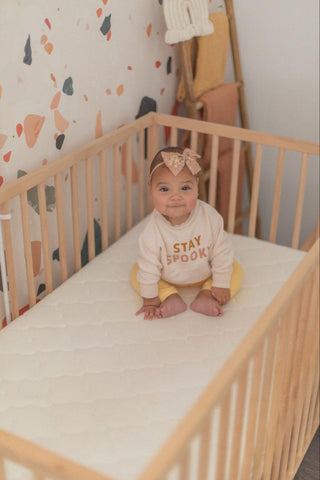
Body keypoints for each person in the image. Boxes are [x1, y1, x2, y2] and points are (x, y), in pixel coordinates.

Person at [130, 146, 243, 320]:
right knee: (138, 272)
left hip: (206, 273)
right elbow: (149, 266)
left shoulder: (210, 217)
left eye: (184, 188)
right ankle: (169, 295)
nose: (176, 197)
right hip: (168, 277)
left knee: (235, 269)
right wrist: (151, 299)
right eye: (165, 190)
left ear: (196, 187)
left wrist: (220, 283)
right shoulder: (151, 231)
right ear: (151, 189)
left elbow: (222, 251)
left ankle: (206, 294)